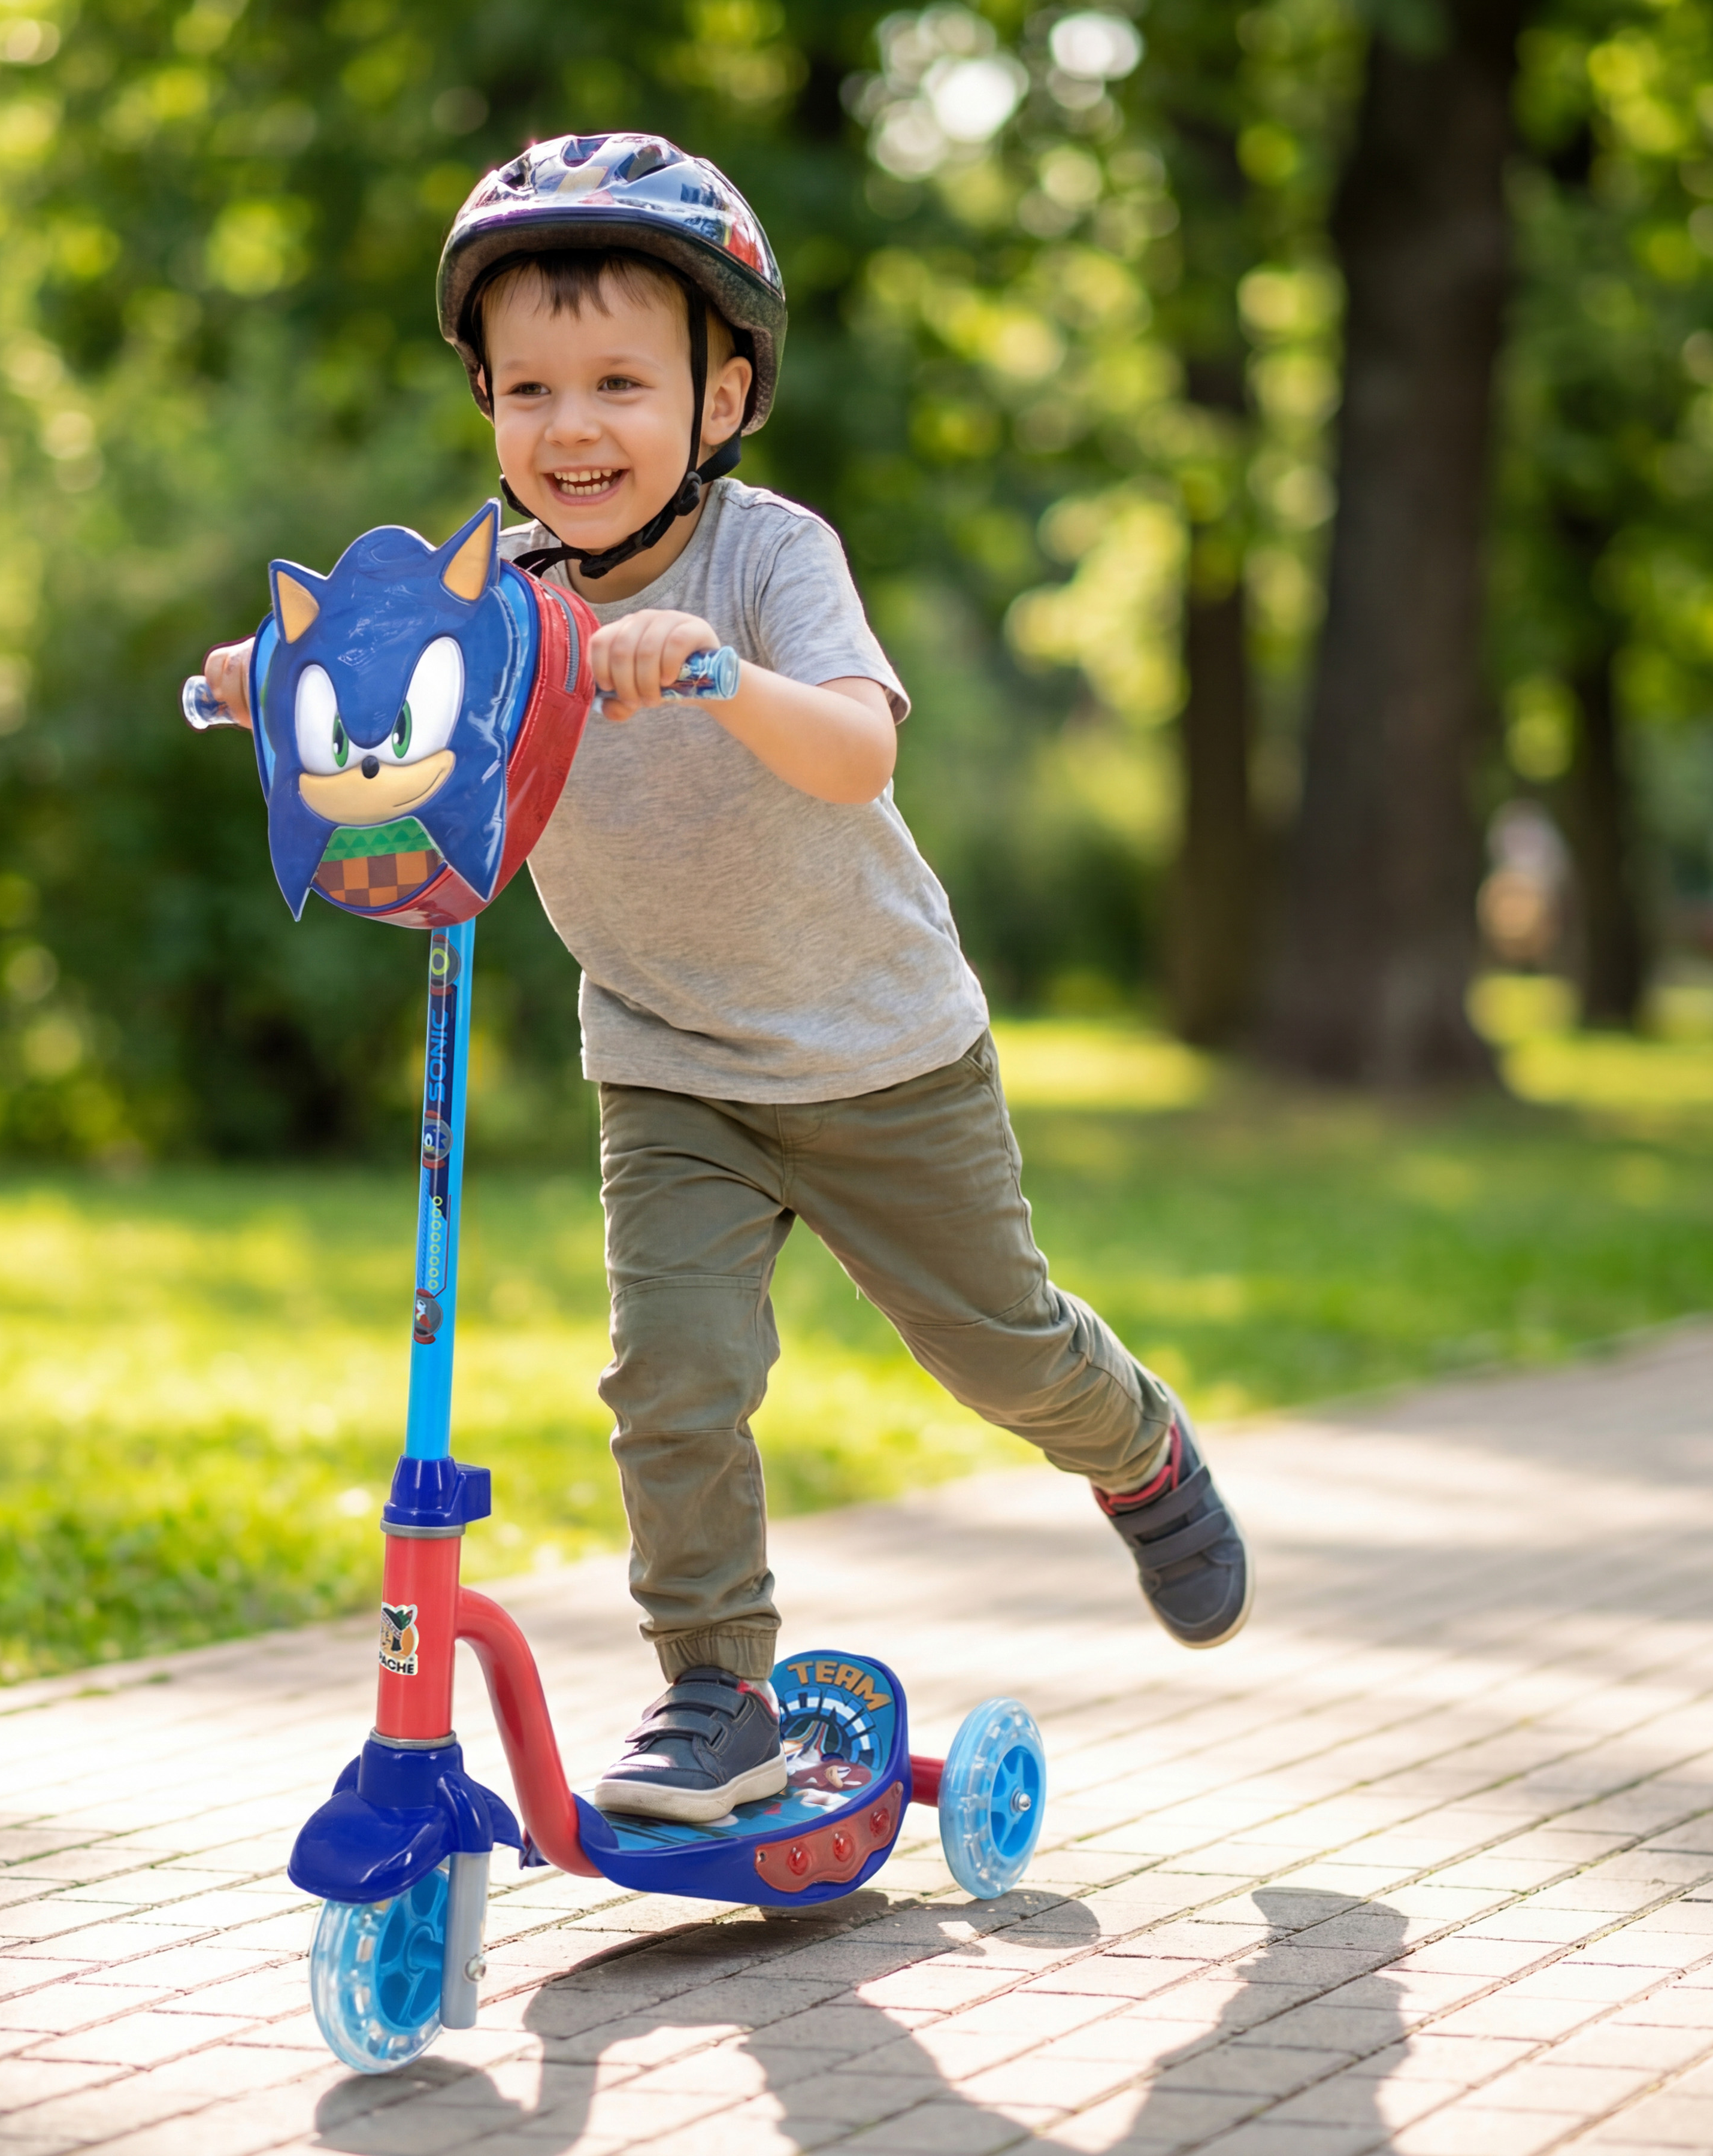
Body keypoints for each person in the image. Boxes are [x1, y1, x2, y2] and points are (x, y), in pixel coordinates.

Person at [202, 133, 1249, 1827]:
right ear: (483, 403)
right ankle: (714, 1692)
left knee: (999, 1357)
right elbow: (389, 717)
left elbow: (850, 758)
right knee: (670, 1378)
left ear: (723, 397)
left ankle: (1133, 1444)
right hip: (668, 1059)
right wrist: (280, 686)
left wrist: (716, 671)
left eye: (620, 381)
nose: (569, 429)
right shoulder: (497, 592)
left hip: (876, 1052)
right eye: (527, 388)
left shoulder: (767, 558)